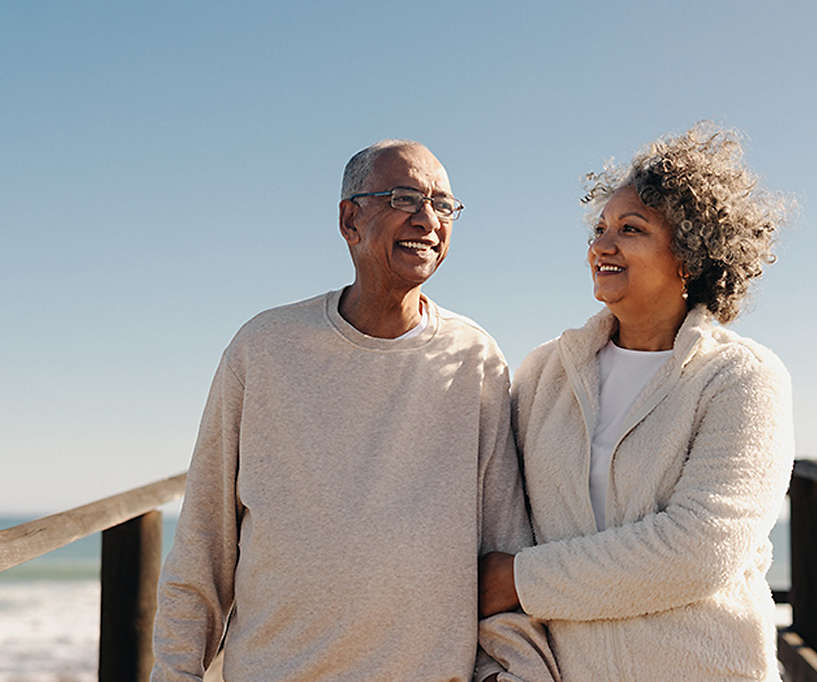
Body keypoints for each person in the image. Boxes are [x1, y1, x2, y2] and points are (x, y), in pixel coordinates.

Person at [151, 140, 557, 681]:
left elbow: (503, 547)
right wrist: (175, 673)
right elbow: (203, 545)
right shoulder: (265, 348)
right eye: (404, 197)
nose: (427, 219)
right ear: (350, 220)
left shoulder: (475, 359)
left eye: (442, 204)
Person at [478, 123, 795, 680]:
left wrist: (520, 582)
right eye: (599, 229)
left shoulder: (742, 377)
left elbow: (702, 549)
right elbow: (505, 528)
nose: (602, 245)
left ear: (689, 257)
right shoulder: (542, 375)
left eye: (631, 229)